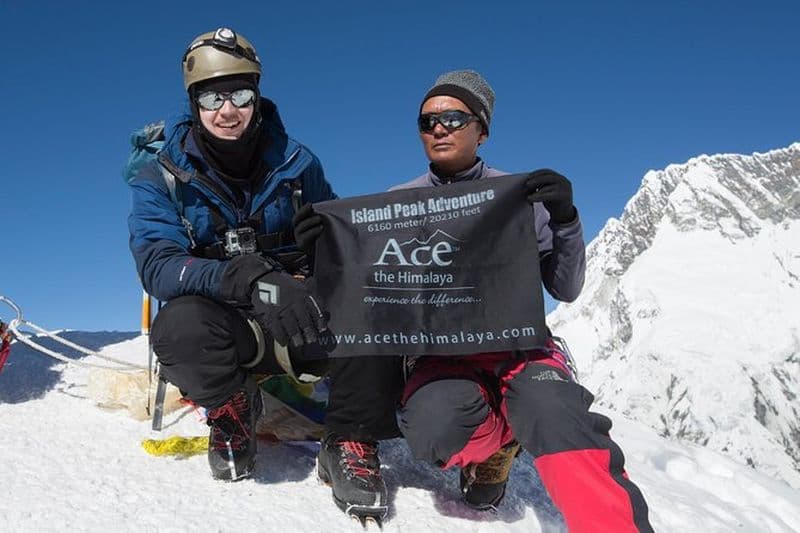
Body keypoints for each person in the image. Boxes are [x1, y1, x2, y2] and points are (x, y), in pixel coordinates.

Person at [295, 70, 653, 532]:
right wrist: (323, 253)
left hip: (521, 348)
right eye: (428, 121)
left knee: (553, 414)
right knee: (432, 429)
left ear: (481, 130)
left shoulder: (519, 199)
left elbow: (565, 288)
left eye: (453, 117)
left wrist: (564, 219)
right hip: (445, 358)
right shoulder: (396, 204)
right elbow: (368, 296)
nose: (439, 128)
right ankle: (500, 442)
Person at [127, 27, 336, 481]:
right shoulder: (158, 178)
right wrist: (245, 279)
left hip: (295, 316)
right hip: (225, 324)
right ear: (193, 102)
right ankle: (232, 407)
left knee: (361, 304)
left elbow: (342, 247)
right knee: (180, 329)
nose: (227, 111)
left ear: (257, 96)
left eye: (239, 94)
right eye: (211, 99)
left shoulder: (300, 165)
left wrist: (323, 243)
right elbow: (158, 267)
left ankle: (352, 430)